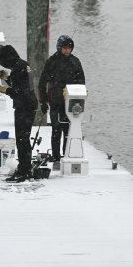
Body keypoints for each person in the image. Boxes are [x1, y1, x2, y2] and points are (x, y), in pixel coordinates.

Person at [38, 34, 85, 167]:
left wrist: (80, 100)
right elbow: (42, 83)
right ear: (59, 48)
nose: (67, 50)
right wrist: (42, 101)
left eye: (69, 48)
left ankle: (66, 155)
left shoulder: (75, 62)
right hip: (55, 102)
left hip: (71, 103)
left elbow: (82, 83)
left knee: (68, 131)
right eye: (64, 48)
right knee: (56, 130)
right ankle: (56, 157)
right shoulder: (52, 61)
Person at [0, 44, 38, 183]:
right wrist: (7, 78)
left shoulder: (19, 68)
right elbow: (20, 84)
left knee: (22, 140)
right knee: (23, 139)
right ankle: (25, 168)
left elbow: (20, 91)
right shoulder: (23, 65)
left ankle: (23, 170)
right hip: (28, 104)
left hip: (24, 106)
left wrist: (6, 91)